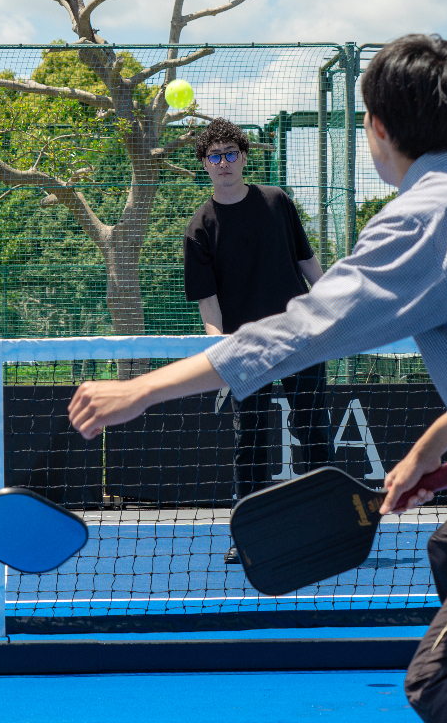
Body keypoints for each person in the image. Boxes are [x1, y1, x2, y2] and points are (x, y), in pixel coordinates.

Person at [68, 35, 447, 723]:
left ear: (376, 127)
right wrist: (428, 450)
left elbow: (301, 329)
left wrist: (142, 388)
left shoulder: (427, 219)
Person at [183, 118, 326, 564]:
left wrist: (331, 308)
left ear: (244, 157)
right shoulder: (199, 228)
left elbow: (307, 262)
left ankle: (327, 523)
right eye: (214, 156)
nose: (223, 162)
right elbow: (208, 303)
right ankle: (248, 533)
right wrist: (219, 345)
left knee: (313, 431)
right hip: (245, 350)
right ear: (204, 164)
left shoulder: (276, 201)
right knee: (251, 440)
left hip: (300, 336)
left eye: (231, 153)